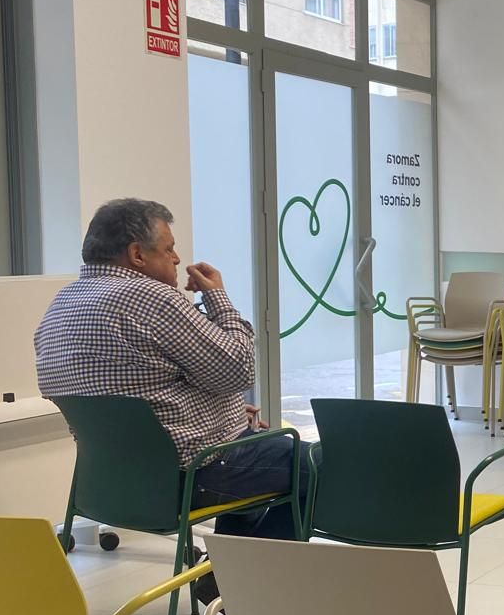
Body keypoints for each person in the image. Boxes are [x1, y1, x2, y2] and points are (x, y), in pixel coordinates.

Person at [35, 198, 303, 544]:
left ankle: (224, 578)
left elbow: (138, 392)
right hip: (189, 475)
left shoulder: (61, 305)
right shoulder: (153, 298)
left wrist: (229, 413)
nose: (177, 259)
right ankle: (251, 582)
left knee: (249, 439)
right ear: (137, 254)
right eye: (169, 248)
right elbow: (239, 370)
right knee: (320, 461)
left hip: (107, 481)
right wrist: (217, 297)